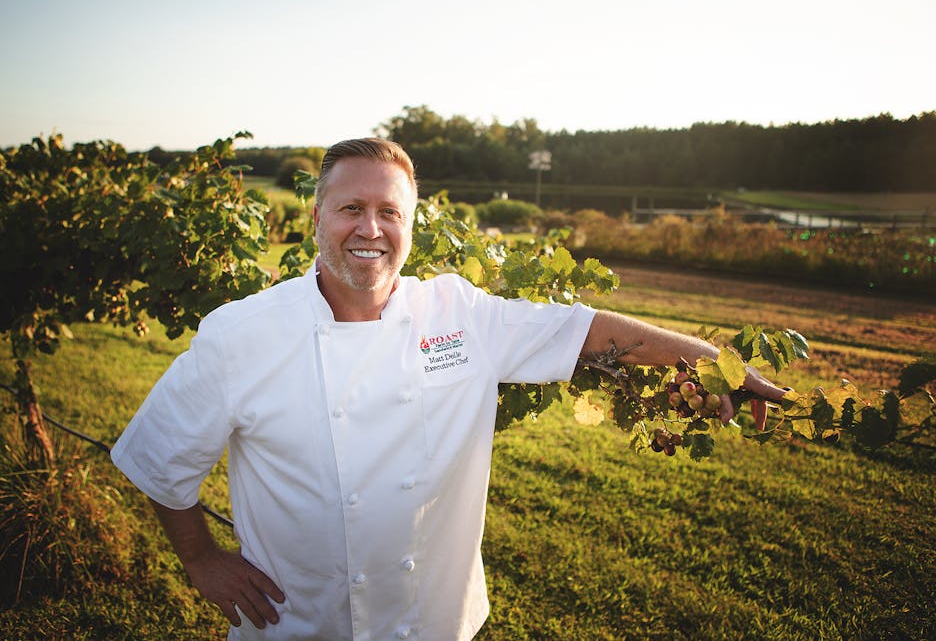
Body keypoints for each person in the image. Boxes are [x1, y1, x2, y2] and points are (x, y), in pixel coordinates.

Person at [111, 138, 785, 640]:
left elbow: (587, 330)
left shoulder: (463, 315)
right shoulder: (243, 334)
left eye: (388, 212)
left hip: (433, 625)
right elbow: (161, 455)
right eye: (351, 208)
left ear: (410, 226)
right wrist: (200, 559)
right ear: (315, 216)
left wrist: (716, 364)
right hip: (297, 626)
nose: (370, 228)